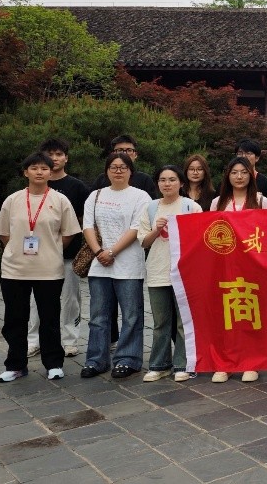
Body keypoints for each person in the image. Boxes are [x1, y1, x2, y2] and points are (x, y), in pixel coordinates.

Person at [0, 152, 81, 382]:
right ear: (26, 172)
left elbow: (69, 233)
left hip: (49, 270)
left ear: (50, 172)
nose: (39, 172)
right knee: (15, 319)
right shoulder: (13, 200)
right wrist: (16, 249)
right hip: (15, 269)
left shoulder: (60, 200)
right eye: (34, 168)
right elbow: (3, 232)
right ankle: (15, 365)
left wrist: (51, 250)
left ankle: (53, 364)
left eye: (44, 168)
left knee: (49, 318)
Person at [80, 153, 151, 379]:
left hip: (129, 265)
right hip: (99, 265)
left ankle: (127, 359)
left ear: (131, 171)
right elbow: (87, 226)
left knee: (131, 315)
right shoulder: (95, 195)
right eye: (113, 167)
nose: (118, 171)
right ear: (106, 171)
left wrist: (112, 251)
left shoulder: (140, 196)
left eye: (123, 167)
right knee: (98, 317)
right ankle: (96, 360)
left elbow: (136, 228)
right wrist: (99, 252)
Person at [210, 156, 267, 383]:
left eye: (244, 172)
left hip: (252, 265)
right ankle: (226, 362)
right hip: (225, 265)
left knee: (251, 313)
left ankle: (251, 362)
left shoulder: (261, 201)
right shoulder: (218, 202)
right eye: (234, 172)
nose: (239, 177)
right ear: (228, 175)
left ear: (251, 175)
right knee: (227, 314)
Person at [138, 166, 202, 382]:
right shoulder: (150, 208)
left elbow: (199, 239)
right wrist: (156, 229)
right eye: (163, 180)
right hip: (157, 270)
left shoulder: (190, 206)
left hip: (184, 272)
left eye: (172, 179)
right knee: (160, 322)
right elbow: (143, 242)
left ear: (181, 183)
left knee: (184, 322)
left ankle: (184, 364)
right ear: (157, 183)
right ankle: (159, 365)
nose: (167, 184)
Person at [27, 138, 90, 359]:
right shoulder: (34, 186)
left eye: (59, 154)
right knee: (35, 300)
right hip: (38, 255)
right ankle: (34, 340)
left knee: (70, 298)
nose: (54, 158)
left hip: (68, 253)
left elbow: (86, 220)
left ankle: (70, 340)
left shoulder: (78, 187)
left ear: (66, 158)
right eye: (50, 154)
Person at [92, 135, 158, 198]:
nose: (124, 154)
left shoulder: (144, 180)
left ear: (135, 155)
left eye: (129, 150)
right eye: (120, 150)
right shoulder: (102, 179)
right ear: (113, 154)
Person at [235, 139, 267, 208]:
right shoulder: (227, 183)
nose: (243, 156)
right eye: (240, 153)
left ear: (257, 158)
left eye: (248, 153)